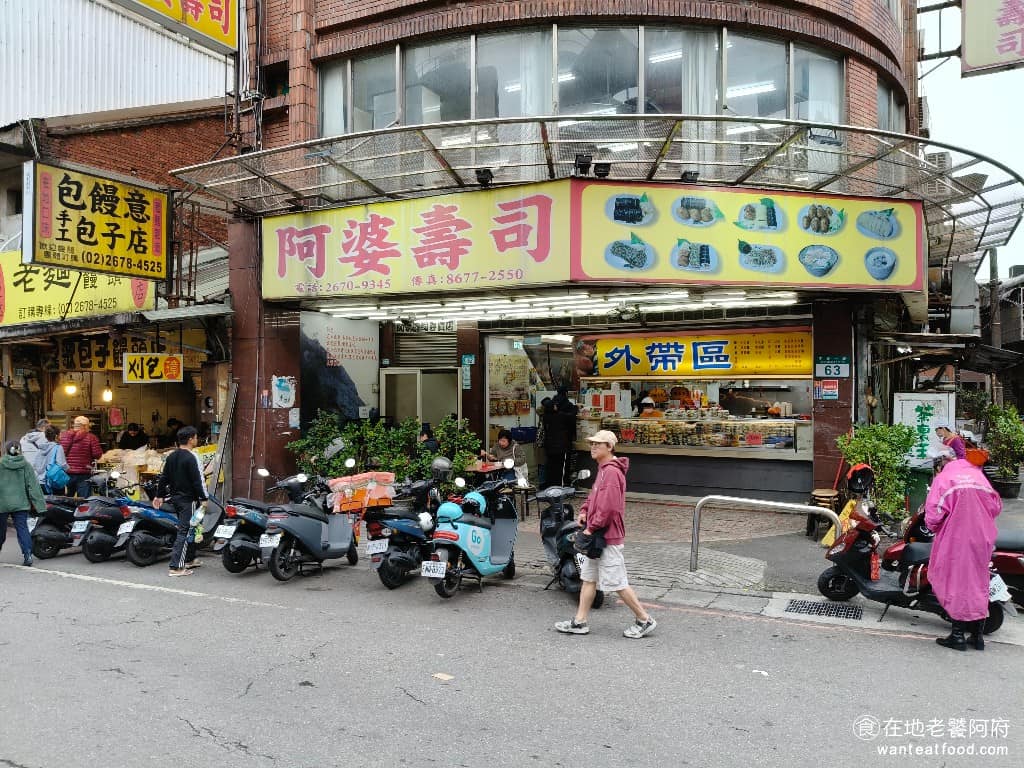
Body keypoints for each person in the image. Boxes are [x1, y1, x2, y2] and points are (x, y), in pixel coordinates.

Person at [555, 430, 656, 639]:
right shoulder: (603, 469)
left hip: (606, 536)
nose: (593, 447)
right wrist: (584, 510)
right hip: (599, 535)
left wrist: (592, 527)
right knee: (589, 578)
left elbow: (609, 507)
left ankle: (644, 619)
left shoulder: (611, 472)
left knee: (617, 582)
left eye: (598, 444)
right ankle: (580, 621)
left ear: (609, 447)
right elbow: (594, 496)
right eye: (592, 444)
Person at [924, 445, 1002, 651]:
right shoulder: (978, 476)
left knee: (956, 583)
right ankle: (977, 637)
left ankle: (957, 635)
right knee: (979, 581)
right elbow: (996, 506)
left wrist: (936, 527)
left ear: (942, 462)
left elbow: (934, 515)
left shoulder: (944, 479)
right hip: (983, 537)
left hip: (957, 539)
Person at [153, 426, 208, 577]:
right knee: (184, 531)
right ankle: (176, 567)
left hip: (176, 498)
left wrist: (159, 495)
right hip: (188, 500)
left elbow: (164, 478)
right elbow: (197, 481)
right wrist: (203, 499)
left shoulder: (172, 456)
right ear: (191, 439)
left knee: (190, 528)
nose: (197, 440)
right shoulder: (191, 457)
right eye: (196, 437)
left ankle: (189, 559)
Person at [0, 441, 46, 566]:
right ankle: (27, 555)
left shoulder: (0, 464)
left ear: (5, 450)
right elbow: (34, 487)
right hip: (20, 503)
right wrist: (41, 507)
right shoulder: (26, 465)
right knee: (22, 529)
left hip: (2, 503)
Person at [59, 416, 102, 497]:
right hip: (84, 473)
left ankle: (69, 509)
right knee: (83, 500)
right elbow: (97, 454)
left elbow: (60, 454)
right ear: (85, 426)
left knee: (67, 499)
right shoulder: (91, 437)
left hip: (67, 472)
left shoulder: (64, 436)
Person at [542, 392, 577, 489]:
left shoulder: (545, 417)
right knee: (561, 468)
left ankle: (551, 486)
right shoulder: (560, 416)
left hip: (549, 447)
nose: (556, 406)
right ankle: (559, 487)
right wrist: (575, 407)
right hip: (561, 447)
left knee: (551, 466)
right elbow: (572, 415)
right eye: (554, 405)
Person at [37, 425, 70, 495]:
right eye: (60, 434)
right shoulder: (58, 447)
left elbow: (36, 464)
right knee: (57, 504)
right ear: (56, 436)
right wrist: (68, 468)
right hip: (53, 482)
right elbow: (62, 464)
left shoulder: (40, 448)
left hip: (40, 482)